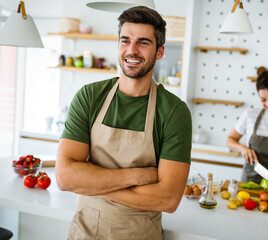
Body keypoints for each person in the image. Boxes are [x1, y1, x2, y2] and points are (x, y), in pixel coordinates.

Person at [55, 6, 192, 240]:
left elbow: (167, 200)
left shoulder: (174, 112)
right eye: (125, 40)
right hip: (85, 232)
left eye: (143, 43)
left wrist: (94, 183)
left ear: (159, 52)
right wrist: (137, 176)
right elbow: (66, 177)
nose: (132, 50)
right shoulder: (89, 97)